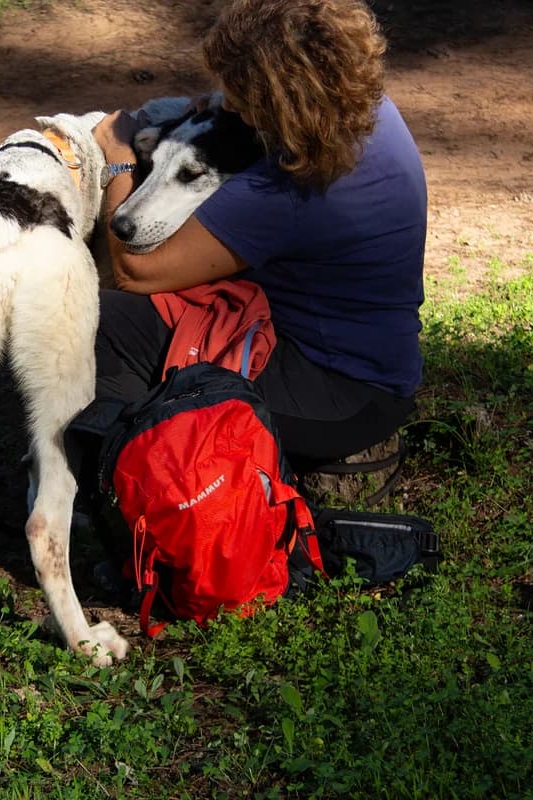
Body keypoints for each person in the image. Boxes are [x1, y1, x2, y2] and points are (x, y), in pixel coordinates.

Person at [87, 0, 427, 474]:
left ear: (279, 97)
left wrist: (119, 157)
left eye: (241, 95)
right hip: (379, 371)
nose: (227, 102)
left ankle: (135, 479)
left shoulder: (290, 183)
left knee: (89, 318)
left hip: (334, 399)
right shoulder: (367, 111)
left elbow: (134, 271)